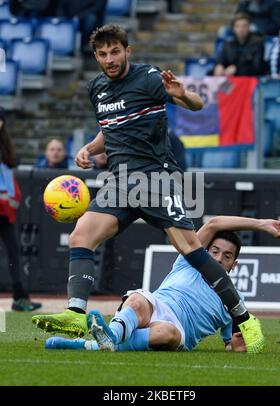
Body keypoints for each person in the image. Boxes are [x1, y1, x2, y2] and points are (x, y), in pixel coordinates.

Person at [32, 24, 264, 353]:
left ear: (127, 51)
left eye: (115, 52)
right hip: (119, 181)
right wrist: (90, 148)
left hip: (156, 179)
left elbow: (197, 104)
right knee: (81, 235)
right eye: (102, 54)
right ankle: (75, 312)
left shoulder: (149, 78)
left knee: (192, 251)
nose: (109, 59)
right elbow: (109, 130)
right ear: (96, 57)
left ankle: (244, 317)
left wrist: (181, 93)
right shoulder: (97, 87)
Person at [45, 216, 280, 352]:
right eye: (214, 251)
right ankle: (111, 336)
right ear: (205, 251)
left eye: (226, 256)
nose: (217, 259)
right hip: (156, 304)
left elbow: (230, 343)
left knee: (167, 334)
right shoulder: (190, 261)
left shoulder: (235, 301)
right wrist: (261, 224)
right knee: (139, 299)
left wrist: (235, 345)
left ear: (234, 264)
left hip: (177, 330)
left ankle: (95, 343)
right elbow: (213, 224)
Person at [0, 107, 42, 311]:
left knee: (13, 252)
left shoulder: (4, 146)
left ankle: (19, 297)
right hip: (2, 207)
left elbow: (6, 179)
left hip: (3, 210)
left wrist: (9, 201)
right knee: (12, 252)